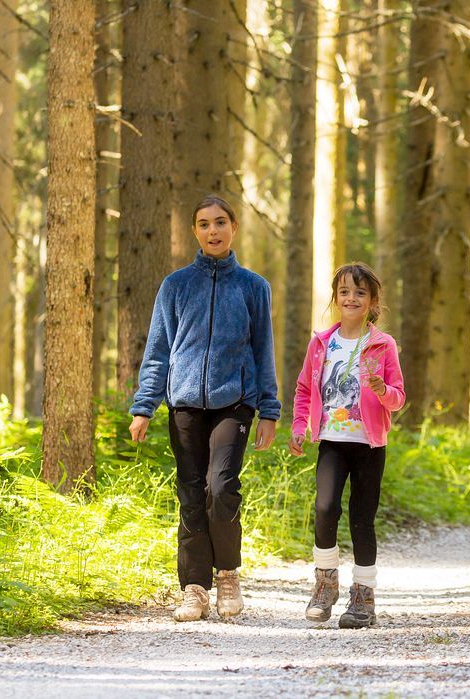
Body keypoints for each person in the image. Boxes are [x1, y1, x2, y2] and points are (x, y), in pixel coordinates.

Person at [128, 194, 280, 622]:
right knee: (191, 492)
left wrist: (269, 410)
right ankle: (194, 588)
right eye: (204, 224)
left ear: (234, 227)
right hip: (185, 405)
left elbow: (263, 351)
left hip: (235, 402)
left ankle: (227, 574)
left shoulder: (253, 287)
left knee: (222, 486)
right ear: (195, 232)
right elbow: (158, 350)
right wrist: (145, 406)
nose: (213, 231)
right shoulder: (176, 286)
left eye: (220, 223)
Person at [289, 262, 405, 629]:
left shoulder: (383, 345)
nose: (351, 298)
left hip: (369, 445)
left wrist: (381, 390)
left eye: (359, 292)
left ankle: (363, 598)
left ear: (372, 301)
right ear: (336, 298)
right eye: (344, 292)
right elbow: (305, 388)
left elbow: (398, 398)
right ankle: (325, 584)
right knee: (325, 508)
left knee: (362, 519)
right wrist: (298, 425)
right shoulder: (322, 342)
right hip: (332, 442)